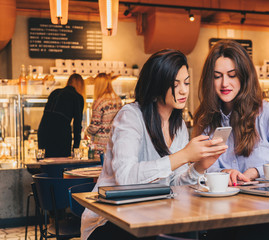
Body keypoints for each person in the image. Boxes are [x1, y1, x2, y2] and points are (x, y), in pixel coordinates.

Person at [81, 49, 228, 240]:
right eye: (176, 84)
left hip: (152, 217)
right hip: (111, 221)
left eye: (186, 82)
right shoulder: (130, 117)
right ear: (157, 86)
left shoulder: (179, 127)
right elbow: (126, 178)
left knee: (198, 232)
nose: (184, 90)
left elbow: (173, 185)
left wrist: (199, 167)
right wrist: (183, 156)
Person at [192, 40, 269, 239]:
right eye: (217, 76)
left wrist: (257, 170)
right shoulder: (207, 122)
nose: (224, 84)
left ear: (244, 77)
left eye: (232, 75)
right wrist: (223, 172)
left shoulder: (268, 115)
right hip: (226, 217)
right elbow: (200, 172)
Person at [38, 73, 86, 158]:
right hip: (61, 135)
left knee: (46, 164)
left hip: (43, 132)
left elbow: (46, 114)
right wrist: (76, 149)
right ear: (81, 86)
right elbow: (77, 125)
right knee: (60, 166)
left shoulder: (55, 92)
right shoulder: (78, 97)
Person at [86, 73, 123, 155]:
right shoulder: (118, 101)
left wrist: (87, 132)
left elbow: (94, 127)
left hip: (101, 146)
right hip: (115, 144)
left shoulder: (99, 102)